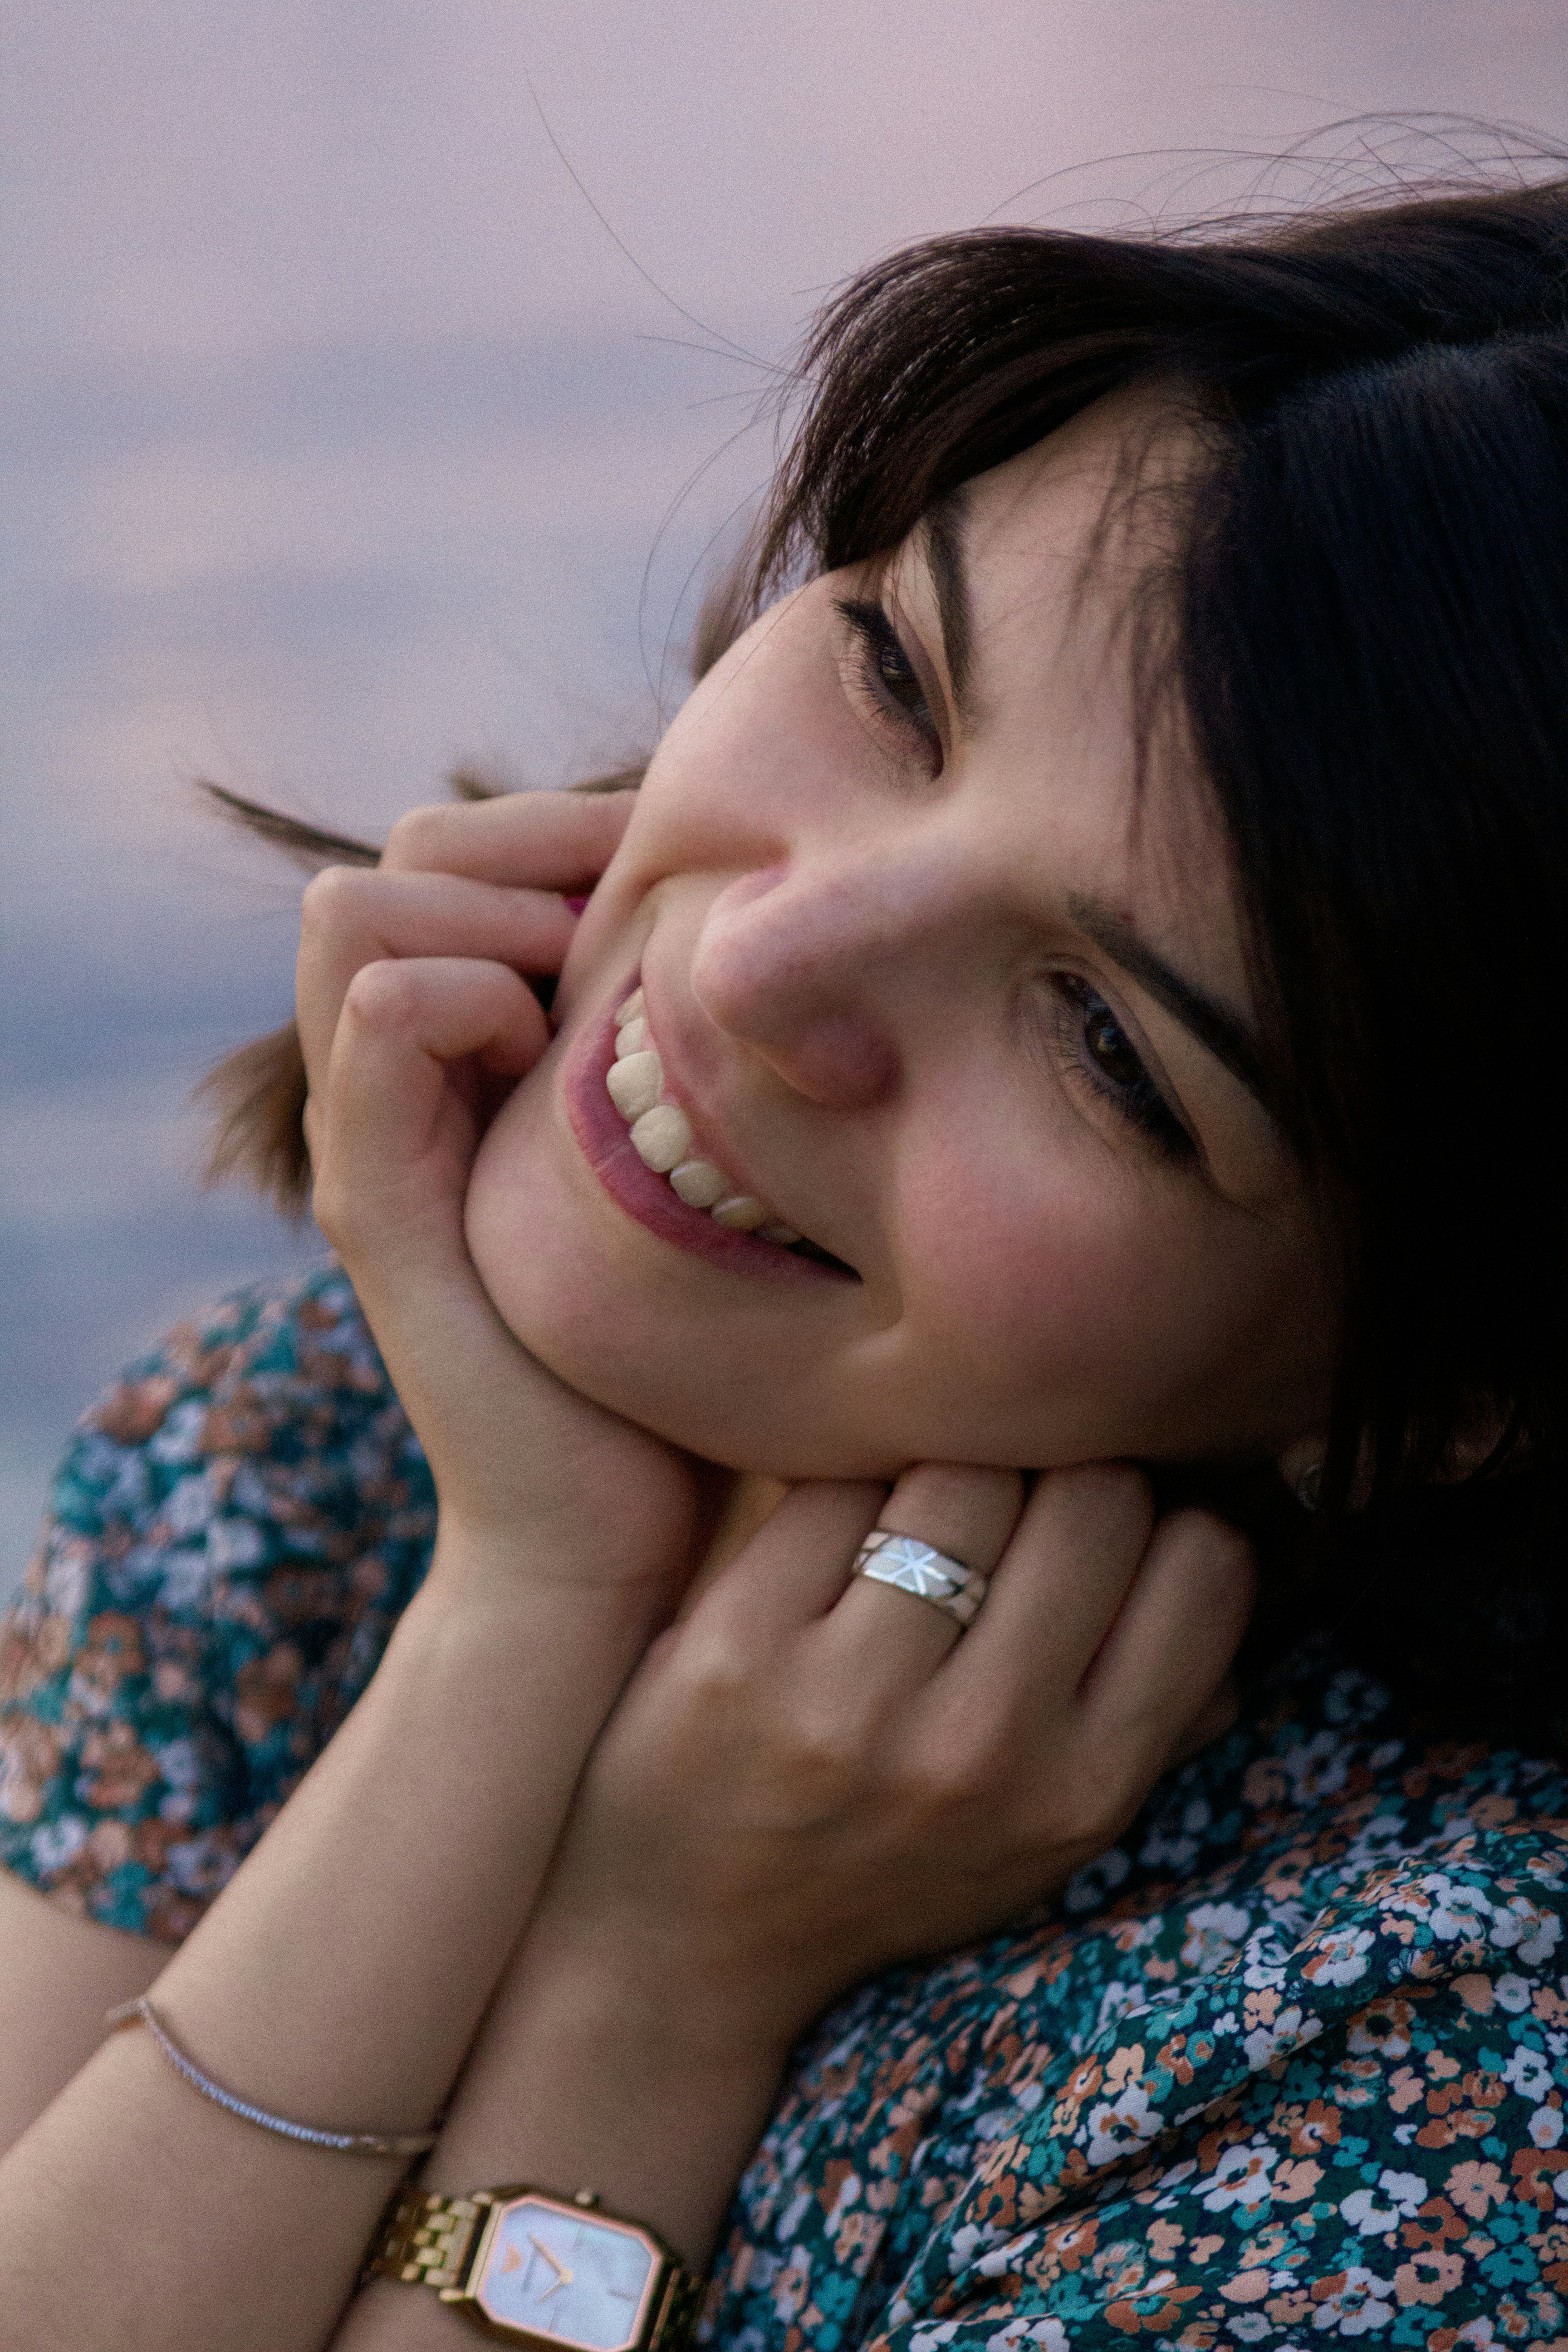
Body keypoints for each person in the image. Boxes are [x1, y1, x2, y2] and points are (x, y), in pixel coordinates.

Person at [3, 170, 1568, 2352]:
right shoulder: (300, 1461)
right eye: (897, 674)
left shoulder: (1416, 2072)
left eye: (1112, 1047)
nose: (760, 965)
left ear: (1455, 1387)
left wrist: (652, 1994)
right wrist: (522, 1605)